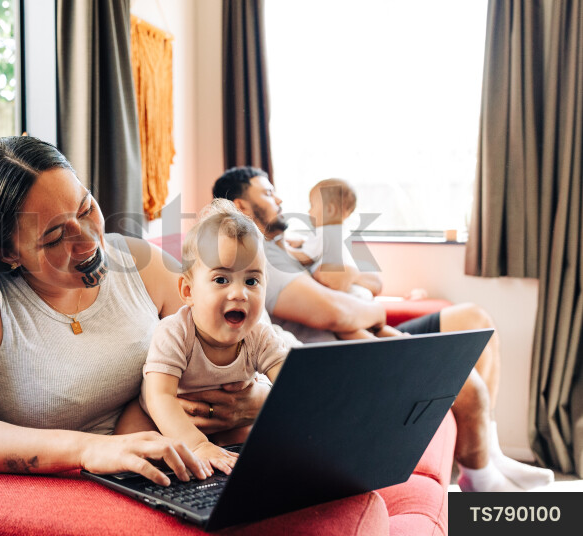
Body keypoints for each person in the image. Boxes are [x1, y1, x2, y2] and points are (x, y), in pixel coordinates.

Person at [0, 136, 269, 487]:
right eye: (55, 237)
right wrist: (91, 449)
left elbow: (249, 334)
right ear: (6, 252)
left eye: (86, 208)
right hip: (81, 482)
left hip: (185, 462)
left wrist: (258, 398)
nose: (88, 242)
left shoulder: (137, 262)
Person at [213, 166, 555, 493]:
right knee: (459, 375)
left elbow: (374, 281)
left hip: (365, 331)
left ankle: (488, 451)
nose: (281, 200)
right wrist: (373, 311)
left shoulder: (296, 245)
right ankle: (479, 473)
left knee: (475, 320)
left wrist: (356, 286)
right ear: (241, 205)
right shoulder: (256, 258)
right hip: (347, 352)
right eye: (269, 192)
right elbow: (335, 315)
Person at [129, 200, 292, 475]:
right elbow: (160, 398)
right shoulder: (175, 332)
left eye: (251, 281)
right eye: (221, 280)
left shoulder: (259, 335)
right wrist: (197, 444)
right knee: (141, 448)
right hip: (160, 417)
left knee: (249, 448)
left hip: (228, 422)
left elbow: (294, 387)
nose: (239, 293)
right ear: (188, 291)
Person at [287, 177, 403, 340]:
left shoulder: (323, 232)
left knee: (347, 330)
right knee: (377, 329)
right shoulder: (343, 231)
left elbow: (305, 257)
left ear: (330, 210)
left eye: (312, 205)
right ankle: (403, 338)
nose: (309, 212)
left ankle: (376, 349)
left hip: (346, 295)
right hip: (360, 293)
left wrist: (284, 248)